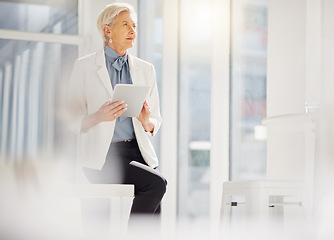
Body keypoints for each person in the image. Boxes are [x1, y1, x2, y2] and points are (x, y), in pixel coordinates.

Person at [67, 2, 166, 233]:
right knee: (156, 184)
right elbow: (72, 122)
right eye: (125, 24)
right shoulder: (83, 67)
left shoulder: (146, 69)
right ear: (107, 30)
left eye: (134, 25)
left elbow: (155, 120)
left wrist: (146, 120)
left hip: (138, 152)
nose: (133, 30)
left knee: (155, 192)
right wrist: (98, 116)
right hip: (104, 156)